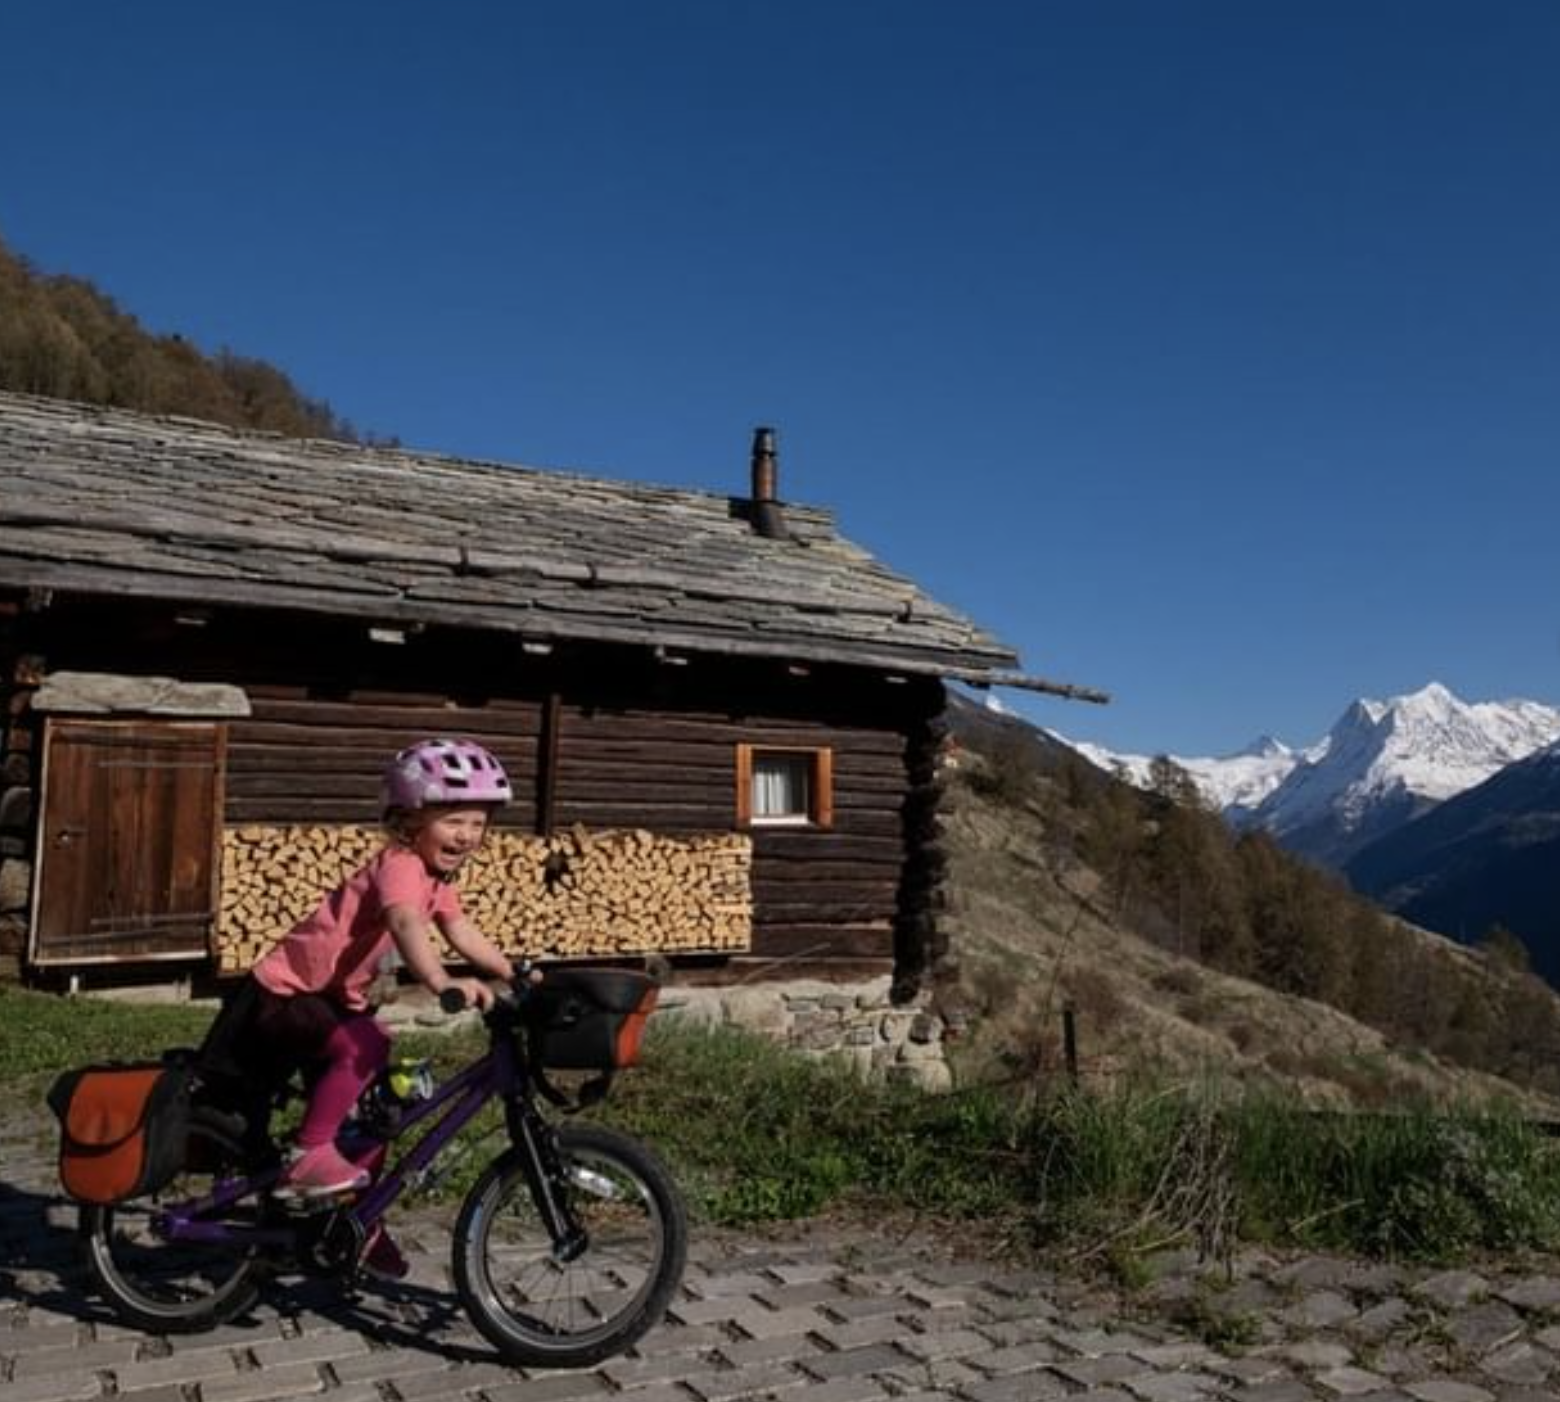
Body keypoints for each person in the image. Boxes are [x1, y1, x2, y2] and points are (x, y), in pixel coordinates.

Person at [233, 737, 518, 1275]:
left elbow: (457, 926)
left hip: (329, 997)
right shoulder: (401, 865)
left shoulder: (435, 877)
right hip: (287, 992)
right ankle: (308, 1154)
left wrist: (514, 971)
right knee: (364, 1045)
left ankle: (359, 1221)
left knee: (378, 1112)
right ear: (410, 818)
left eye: (479, 823)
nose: (468, 836)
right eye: (455, 820)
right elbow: (405, 920)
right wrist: (438, 980)